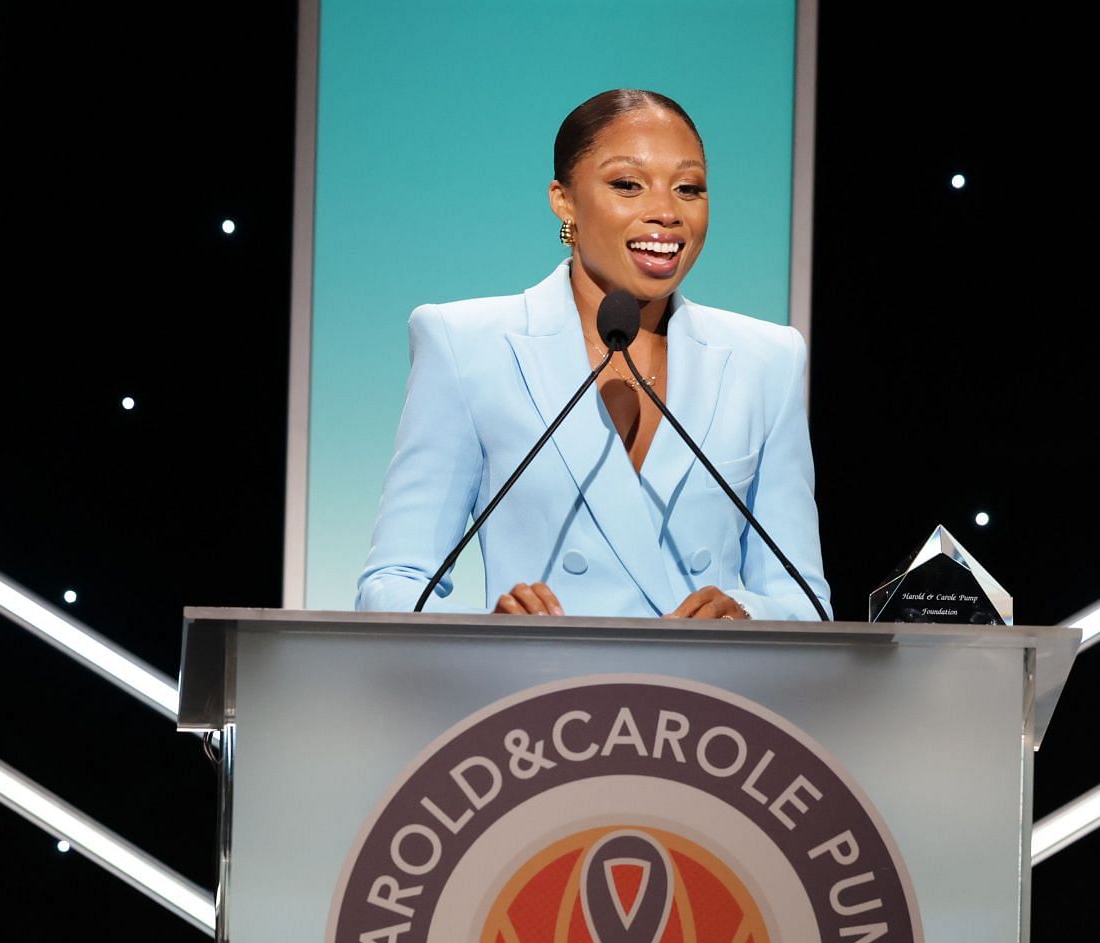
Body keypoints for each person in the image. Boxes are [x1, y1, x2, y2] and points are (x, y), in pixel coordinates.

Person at [355, 89, 831, 621]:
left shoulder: (766, 361)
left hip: (705, 695)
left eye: (688, 188)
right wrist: (490, 632)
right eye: (627, 184)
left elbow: (805, 602)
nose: (667, 213)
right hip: (537, 693)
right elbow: (393, 583)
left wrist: (746, 613)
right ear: (563, 200)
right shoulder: (465, 345)